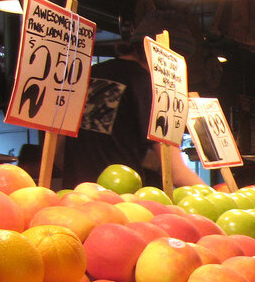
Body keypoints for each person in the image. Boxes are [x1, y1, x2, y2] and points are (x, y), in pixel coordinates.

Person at [63, 37, 205, 190]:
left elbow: (60, 146)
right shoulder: (148, 85)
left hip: (74, 193)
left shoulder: (90, 73)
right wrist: (225, 199)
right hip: (119, 198)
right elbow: (177, 173)